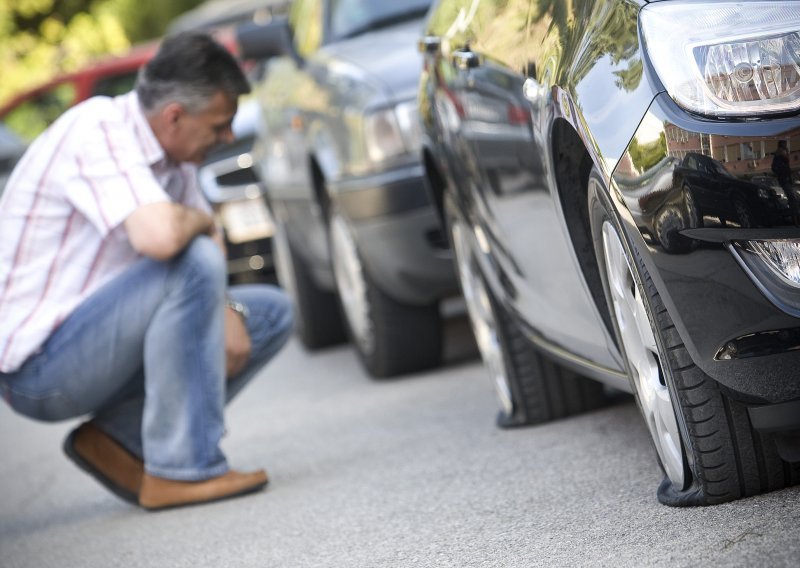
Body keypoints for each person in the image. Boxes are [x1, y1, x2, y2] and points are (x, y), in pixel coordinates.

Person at [0, 32, 293, 510]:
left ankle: (115, 441)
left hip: (96, 339)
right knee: (188, 259)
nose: (227, 138)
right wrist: (200, 225)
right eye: (220, 126)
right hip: (38, 368)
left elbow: (207, 237)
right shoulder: (97, 131)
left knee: (267, 314)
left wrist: (225, 311)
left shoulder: (175, 157)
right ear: (174, 116)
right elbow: (167, 238)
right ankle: (183, 468)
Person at [772, 139, 799, 225]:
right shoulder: (779, 156)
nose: (786, 150)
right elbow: (776, 168)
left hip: (786, 180)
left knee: (793, 199)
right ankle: (795, 220)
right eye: (785, 147)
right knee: (793, 199)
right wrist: (784, 172)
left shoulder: (781, 157)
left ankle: (795, 219)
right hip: (785, 180)